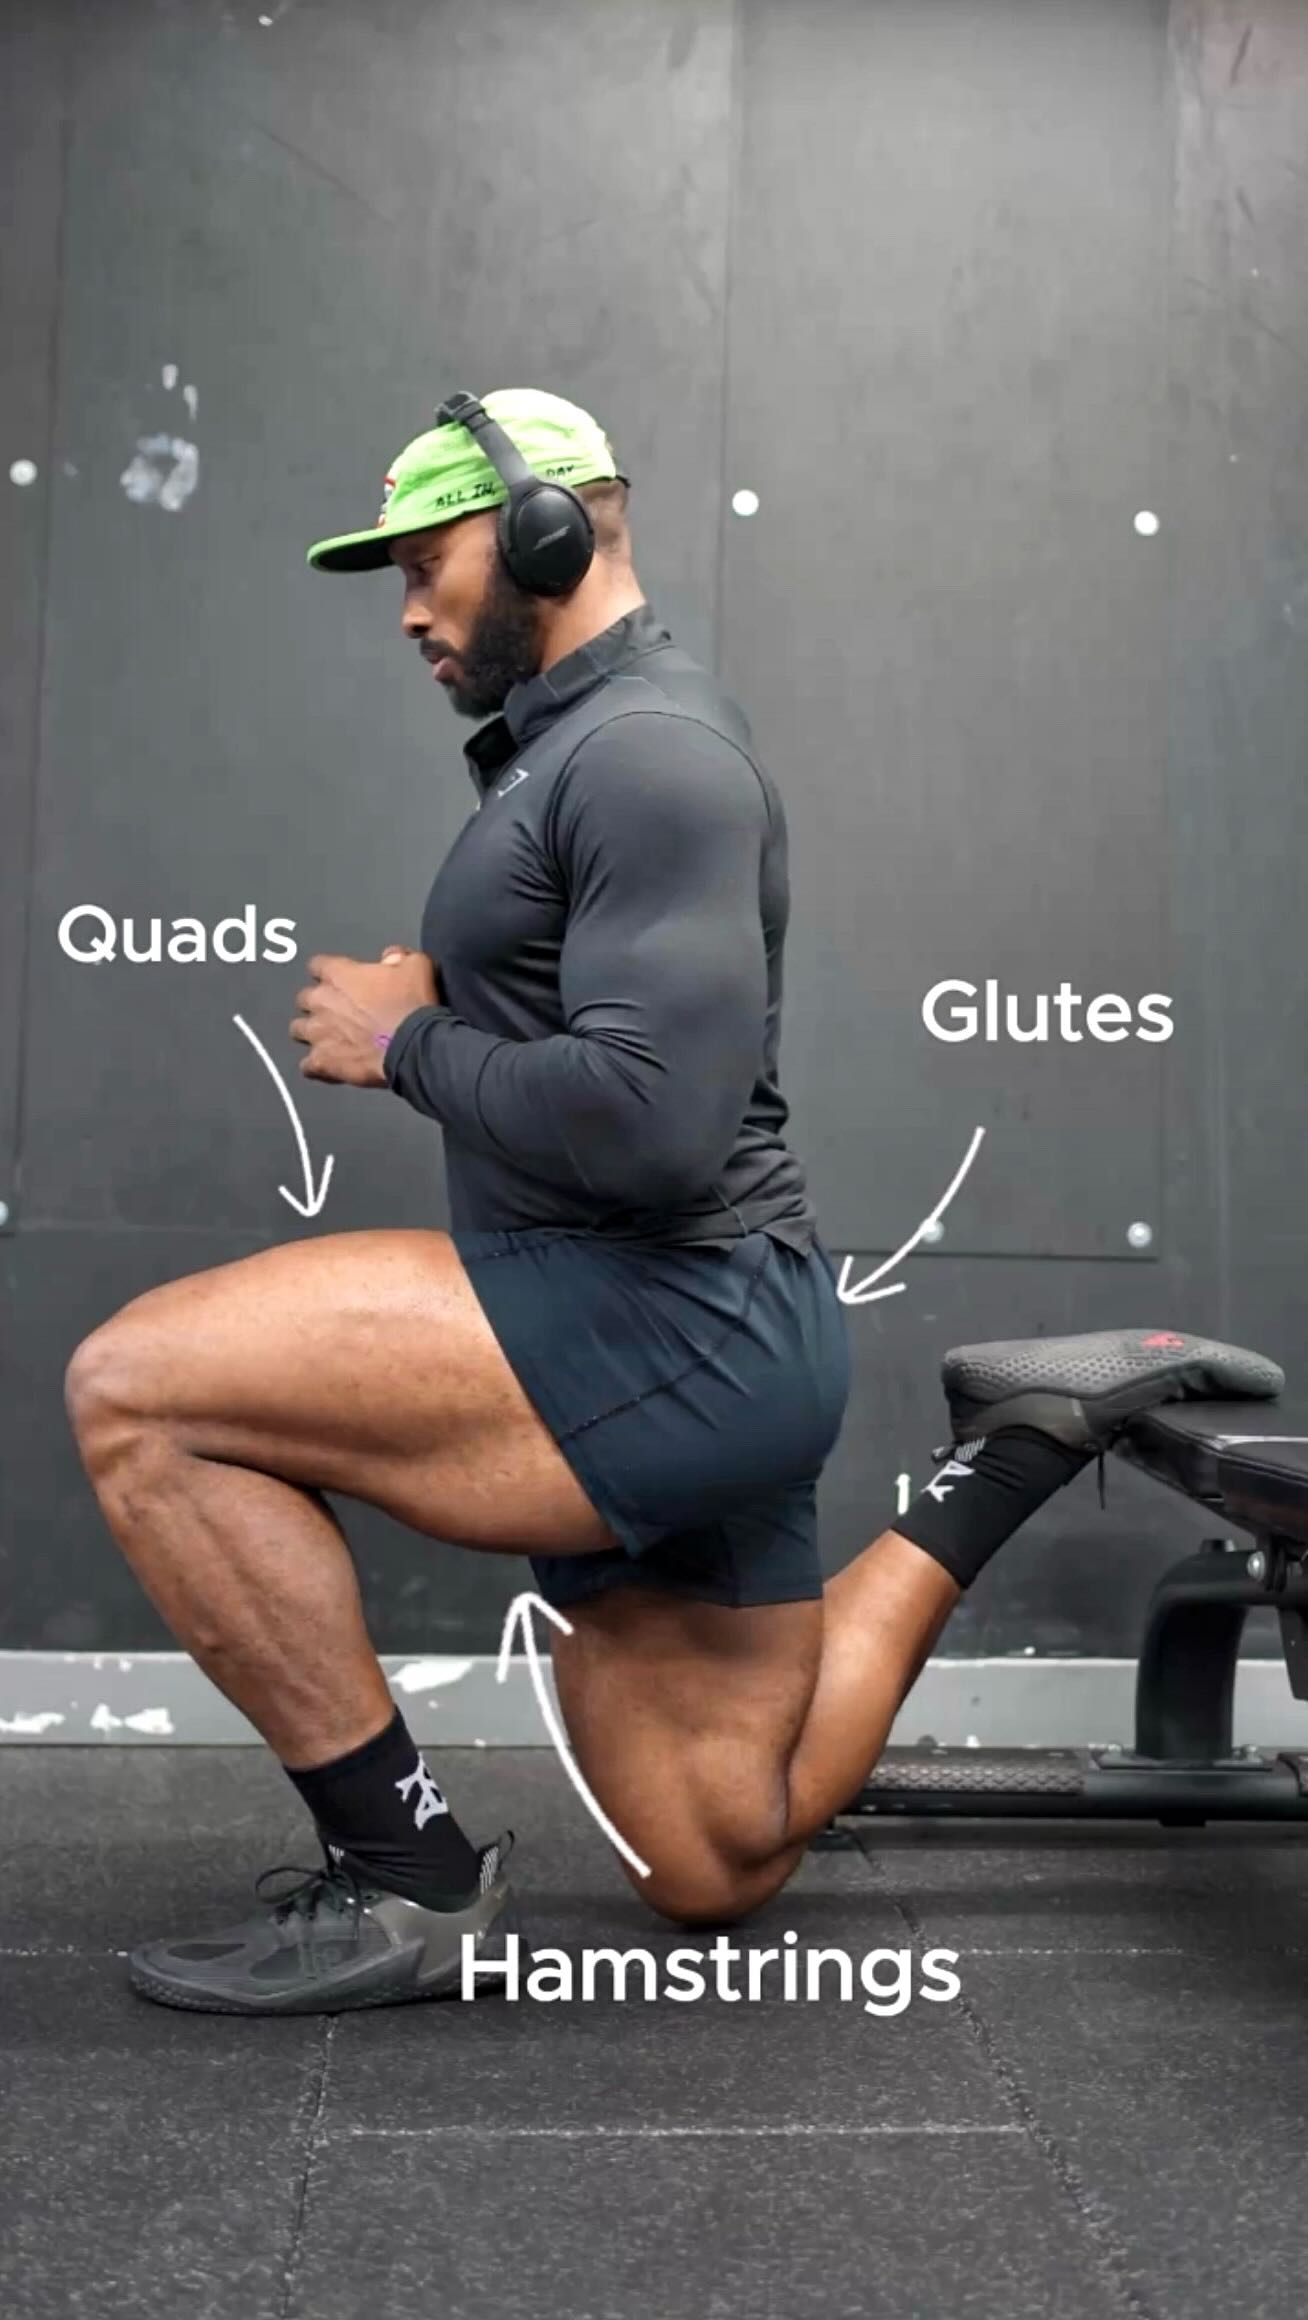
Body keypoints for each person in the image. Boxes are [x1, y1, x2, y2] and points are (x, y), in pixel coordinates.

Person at [63, 389, 1264, 2015]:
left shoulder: (650, 759)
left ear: (549, 532)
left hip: (670, 1325)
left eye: (428, 563)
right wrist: (463, 1019)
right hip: (693, 1328)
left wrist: (406, 1044)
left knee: (136, 1391)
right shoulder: (581, 747)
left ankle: (409, 1883)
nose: (409, 609)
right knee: (715, 1853)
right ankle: (1018, 1445)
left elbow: (654, 1128)